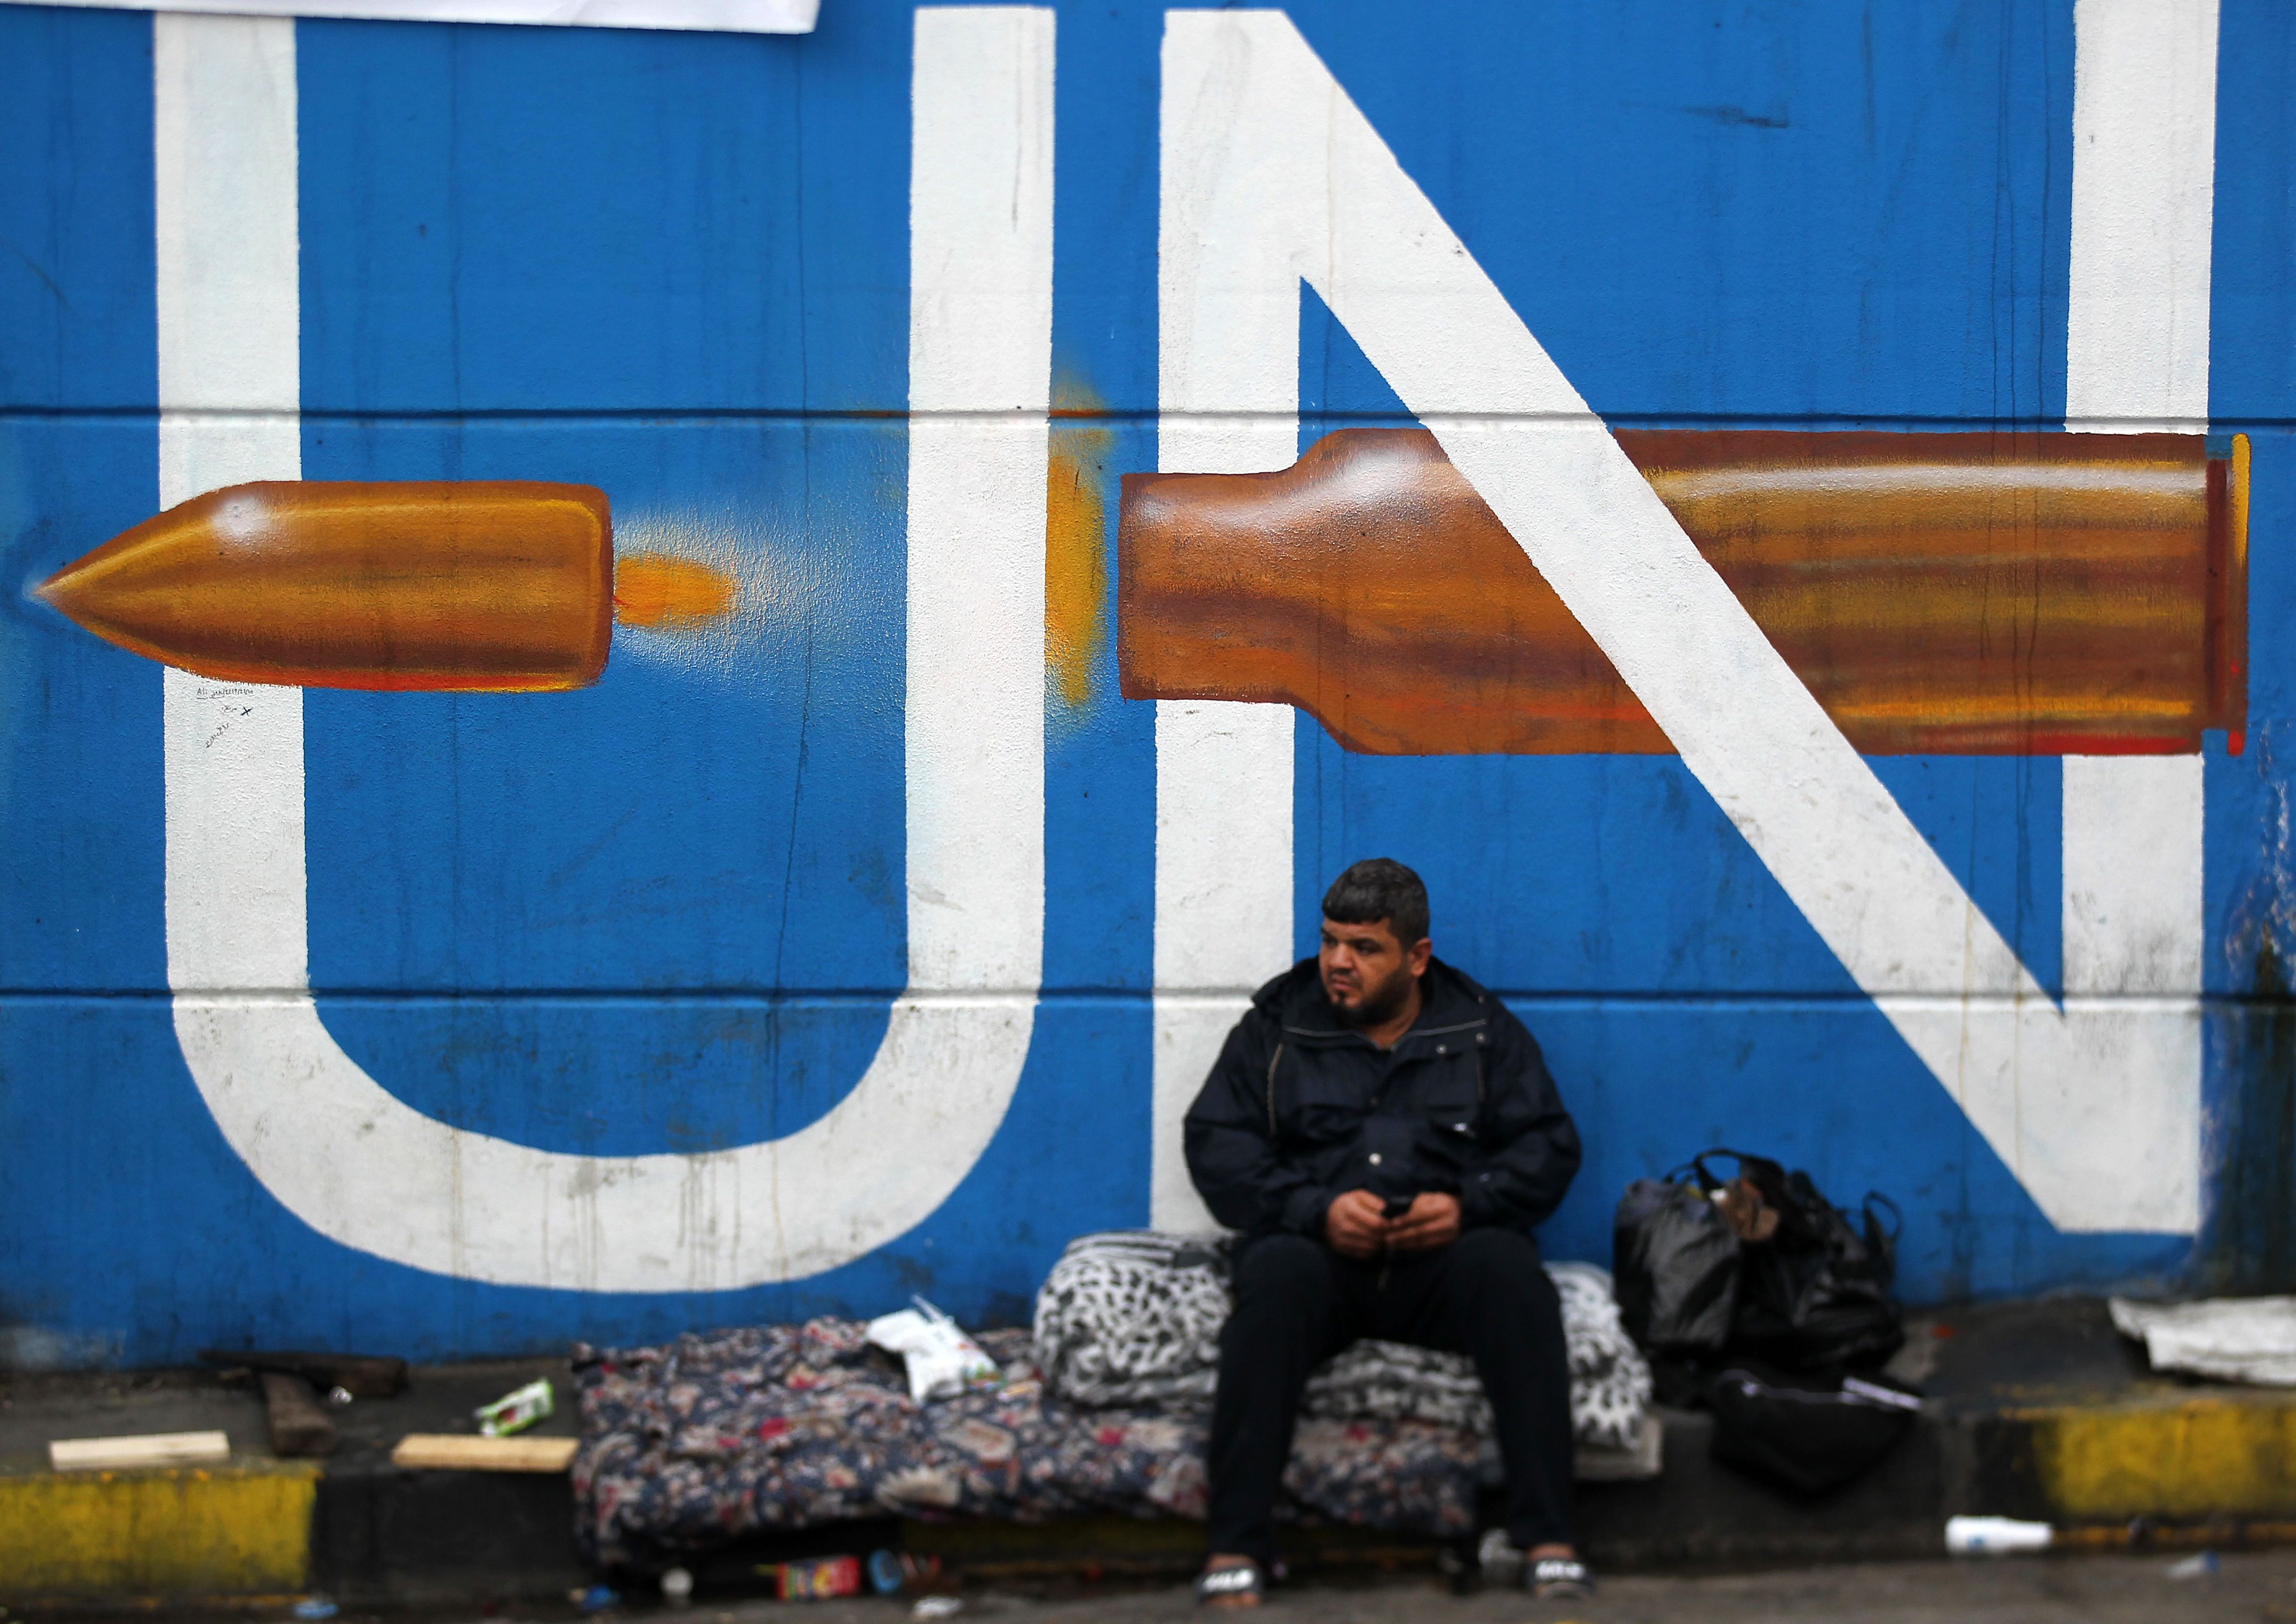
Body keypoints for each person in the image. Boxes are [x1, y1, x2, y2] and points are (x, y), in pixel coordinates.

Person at [1183, 858, 1588, 1606]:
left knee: (1512, 1278)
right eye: (1332, 941)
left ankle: (1548, 1537)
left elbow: (1548, 1146)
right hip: (1319, 1260)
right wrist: (1314, 1211)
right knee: (1269, 1284)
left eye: (1365, 948)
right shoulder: (1277, 1025)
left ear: (1416, 956)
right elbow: (1217, 1144)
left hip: (1443, 1263)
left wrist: (1469, 1204)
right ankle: (1236, 1545)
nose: (1339, 963)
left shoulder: (1478, 1027)